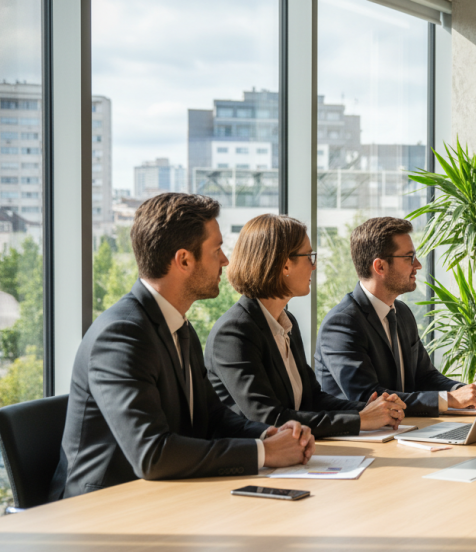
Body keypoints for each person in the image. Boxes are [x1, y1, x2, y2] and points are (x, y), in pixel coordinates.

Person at [51, 193, 314, 500]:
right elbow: (153, 454)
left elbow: (213, 417)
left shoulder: (178, 325)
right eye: (216, 250)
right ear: (184, 260)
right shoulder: (121, 335)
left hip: (166, 498)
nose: (226, 260)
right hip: (102, 513)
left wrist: (268, 434)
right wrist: (263, 452)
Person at [205, 214, 407, 439]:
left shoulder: (286, 322)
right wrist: (361, 420)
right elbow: (270, 418)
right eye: (309, 257)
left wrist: (369, 409)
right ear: (284, 264)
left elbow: (312, 398)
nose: (314, 266)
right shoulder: (234, 332)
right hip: (259, 463)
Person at [315, 216, 476, 415]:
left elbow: (426, 377)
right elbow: (368, 397)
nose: (418, 265)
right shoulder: (342, 324)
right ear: (380, 266)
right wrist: (448, 399)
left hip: (406, 429)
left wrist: (464, 392)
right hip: (364, 440)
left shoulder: (402, 313)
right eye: (409, 258)